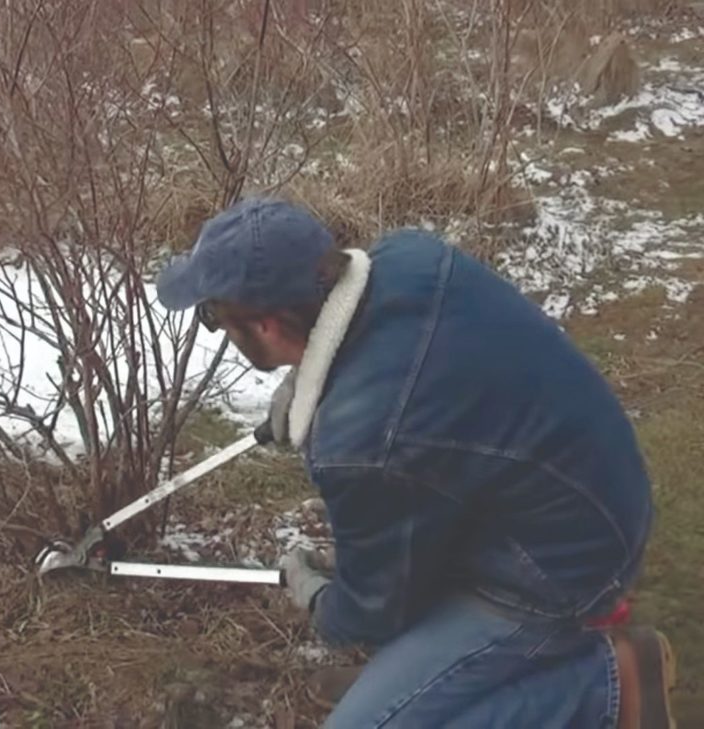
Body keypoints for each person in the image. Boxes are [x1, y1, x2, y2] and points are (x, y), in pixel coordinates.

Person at [154, 197, 676, 728]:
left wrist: (321, 603)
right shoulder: (409, 256)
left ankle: (606, 685)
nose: (213, 324)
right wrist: (309, 381)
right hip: (589, 483)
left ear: (264, 325)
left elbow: (373, 612)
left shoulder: (361, 443)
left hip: (563, 564)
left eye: (213, 316)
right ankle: (423, 677)